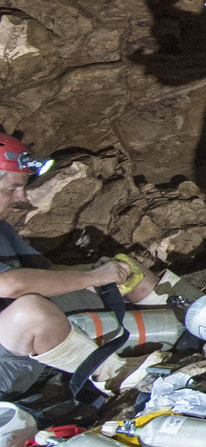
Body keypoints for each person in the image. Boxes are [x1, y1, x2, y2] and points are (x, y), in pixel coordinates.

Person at [0, 135, 158, 407]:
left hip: (25, 344)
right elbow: (9, 285)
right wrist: (94, 277)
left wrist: (103, 272)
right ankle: (116, 377)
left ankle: (194, 319)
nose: (22, 197)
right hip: (7, 362)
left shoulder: (2, 229)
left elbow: (46, 274)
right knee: (31, 311)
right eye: (13, 188)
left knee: (122, 267)